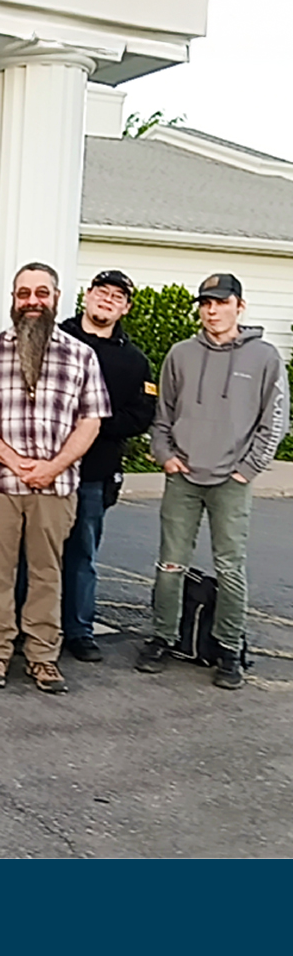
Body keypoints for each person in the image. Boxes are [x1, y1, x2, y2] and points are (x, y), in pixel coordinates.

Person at [0, 263, 111, 694]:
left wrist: (52, 466)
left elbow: (92, 421)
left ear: (57, 298)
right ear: (13, 299)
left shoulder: (81, 355)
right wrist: (14, 459)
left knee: (47, 573)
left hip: (55, 487)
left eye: (42, 293)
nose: (32, 301)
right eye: (24, 294)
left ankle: (43, 657)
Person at [137, 272, 288, 689]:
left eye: (221, 302)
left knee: (231, 567)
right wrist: (165, 457)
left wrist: (248, 468)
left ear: (240, 305)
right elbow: (162, 413)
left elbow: (273, 421)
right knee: (170, 563)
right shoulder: (181, 354)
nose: (212, 310)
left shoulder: (265, 358)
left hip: (231, 480)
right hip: (183, 476)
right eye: (206, 303)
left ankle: (227, 647)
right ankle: (163, 637)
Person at [57, 271, 156, 662]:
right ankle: (27, 627)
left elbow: (141, 414)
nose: (108, 300)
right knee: (37, 554)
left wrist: (93, 424)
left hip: (95, 472)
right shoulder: (56, 338)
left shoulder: (135, 361)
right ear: (88, 295)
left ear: (126, 307)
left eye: (118, 296)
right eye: (102, 291)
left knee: (83, 554)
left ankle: (79, 631)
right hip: (45, 466)